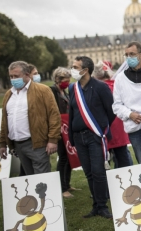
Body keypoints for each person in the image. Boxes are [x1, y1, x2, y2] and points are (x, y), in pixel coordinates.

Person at [68, 56, 115, 219]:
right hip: (79, 137)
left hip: (95, 136)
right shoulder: (73, 88)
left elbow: (111, 111)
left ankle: (102, 206)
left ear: (85, 70)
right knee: (88, 172)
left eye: (75, 67)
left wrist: (101, 127)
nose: (72, 70)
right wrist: (72, 137)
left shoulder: (100, 87)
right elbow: (72, 112)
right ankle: (95, 204)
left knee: (98, 171)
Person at [0, 61, 60, 174]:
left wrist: (53, 139)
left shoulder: (43, 90)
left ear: (27, 74)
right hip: (18, 145)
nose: (13, 79)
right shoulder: (9, 94)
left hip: (37, 143)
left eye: (16, 76)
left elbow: (54, 115)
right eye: (11, 76)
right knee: (29, 179)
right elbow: (5, 121)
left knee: (43, 180)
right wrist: (3, 143)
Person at [92, 61, 133, 168]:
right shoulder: (116, 85)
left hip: (104, 127)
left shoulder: (96, 89)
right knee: (122, 157)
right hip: (119, 126)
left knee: (104, 159)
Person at [50, 67, 78, 198]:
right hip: (58, 129)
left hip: (66, 128)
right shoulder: (52, 92)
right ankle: (61, 188)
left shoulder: (65, 92)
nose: (67, 82)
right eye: (64, 80)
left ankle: (67, 184)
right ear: (57, 79)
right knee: (63, 158)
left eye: (68, 80)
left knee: (68, 157)